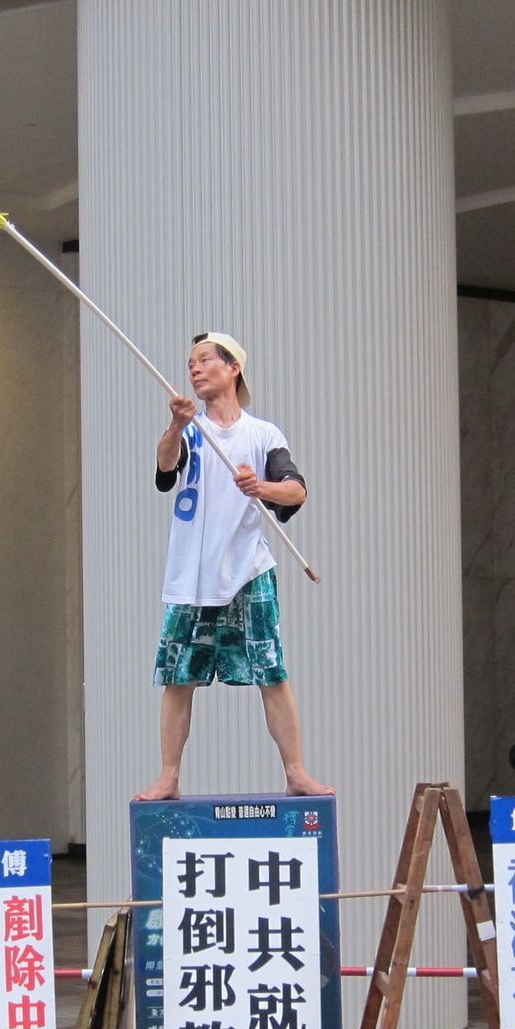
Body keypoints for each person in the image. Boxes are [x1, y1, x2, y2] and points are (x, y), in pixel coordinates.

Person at [134, 331, 333, 801]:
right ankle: (169, 776)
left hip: (248, 568)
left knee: (272, 671)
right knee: (178, 676)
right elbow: (165, 470)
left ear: (233, 368)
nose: (195, 368)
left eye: (205, 360)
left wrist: (261, 487)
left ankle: (296, 772)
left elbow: (297, 491)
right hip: (190, 574)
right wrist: (176, 425)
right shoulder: (191, 430)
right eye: (191, 363)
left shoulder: (263, 434)